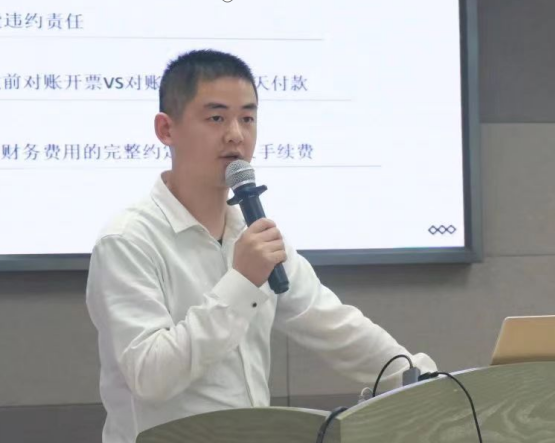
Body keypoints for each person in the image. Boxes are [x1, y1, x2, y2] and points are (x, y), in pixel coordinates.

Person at [85, 49, 436, 443]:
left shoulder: (253, 232)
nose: (236, 134)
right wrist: (240, 282)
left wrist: (423, 378)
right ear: (166, 130)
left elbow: (333, 324)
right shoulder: (128, 240)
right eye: (216, 118)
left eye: (247, 118)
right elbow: (150, 376)